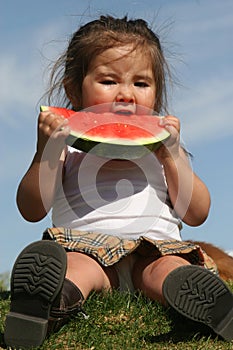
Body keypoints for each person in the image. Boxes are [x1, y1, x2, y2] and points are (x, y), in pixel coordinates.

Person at [4, 15, 233, 348]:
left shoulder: (164, 147)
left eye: (141, 84)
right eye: (109, 81)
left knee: (168, 269)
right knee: (76, 269)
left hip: (154, 249)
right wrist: (45, 151)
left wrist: (170, 153)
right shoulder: (67, 147)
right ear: (73, 90)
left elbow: (197, 212)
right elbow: (31, 208)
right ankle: (46, 303)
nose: (126, 94)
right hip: (86, 248)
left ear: (157, 94)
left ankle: (206, 304)